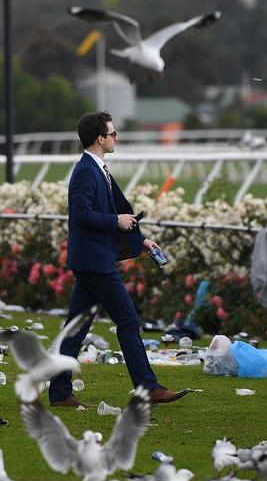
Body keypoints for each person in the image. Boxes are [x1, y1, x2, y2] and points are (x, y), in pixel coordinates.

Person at [48, 111, 185, 407]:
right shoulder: (87, 170)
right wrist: (115, 222)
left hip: (91, 260)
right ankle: (147, 387)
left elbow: (121, 212)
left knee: (75, 328)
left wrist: (142, 240)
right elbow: (82, 215)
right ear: (100, 138)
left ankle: (59, 392)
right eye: (112, 134)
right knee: (127, 319)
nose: (115, 138)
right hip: (94, 262)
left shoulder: (98, 169)